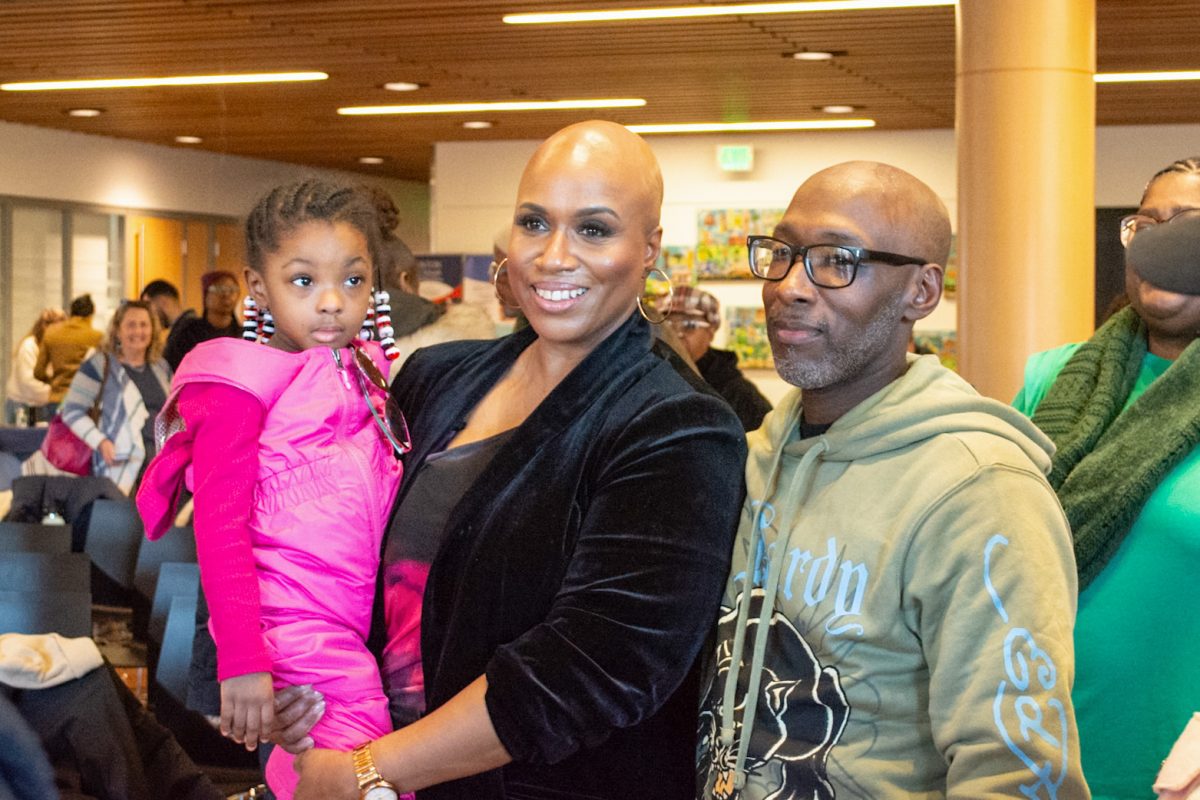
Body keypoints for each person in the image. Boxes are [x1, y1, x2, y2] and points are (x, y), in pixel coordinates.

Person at [291, 120, 746, 799]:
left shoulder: (678, 425)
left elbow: (592, 665)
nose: (554, 255)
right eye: (535, 223)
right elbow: (347, 560)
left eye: (594, 229)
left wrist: (372, 771)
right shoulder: (435, 378)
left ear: (650, 249)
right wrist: (302, 678)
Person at [696, 161, 1087, 798]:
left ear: (922, 293)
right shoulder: (753, 460)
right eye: (784, 253)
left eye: (837, 259)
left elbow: (1017, 771)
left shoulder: (981, 490)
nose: (791, 286)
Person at [136, 178, 405, 800]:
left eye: (354, 280)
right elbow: (220, 530)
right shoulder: (238, 385)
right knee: (368, 779)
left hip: (359, 626)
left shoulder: (370, 378)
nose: (333, 302)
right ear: (259, 287)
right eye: (304, 281)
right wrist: (243, 665)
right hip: (292, 629)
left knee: (338, 774)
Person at [1013, 157, 1200, 799]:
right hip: (1030, 743)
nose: (1159, 240)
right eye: (1147, 223)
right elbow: (992, 544)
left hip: (1176, 763)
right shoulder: (1050, 378)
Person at [58, 301, 171, 495]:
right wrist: (100, 442)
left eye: (144, 325)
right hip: (116, 464)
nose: (138, 331)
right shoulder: (99, 365)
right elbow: (70, 411)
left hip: (157, 469)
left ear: (153, 330)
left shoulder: (161, 368)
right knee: (120, 522)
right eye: (131, 325)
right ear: (118, 331)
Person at [659, 285, 771, 430]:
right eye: (667, 324)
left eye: (690, 325)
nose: (677, 334)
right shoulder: (649, 376)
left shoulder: (740, 395)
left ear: (711, 332)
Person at [163, 271, 242, 371]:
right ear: (205, 294)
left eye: (232, 290)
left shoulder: (241, 335)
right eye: (219, 289)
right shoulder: (188, 333)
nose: (226, 295)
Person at [34, 294, 102, 409]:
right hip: (85, 400)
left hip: (57, 398)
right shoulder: (97, 337)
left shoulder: (51, 333)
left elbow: (38, 372)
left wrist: (54, 381)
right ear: (92, 314)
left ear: (71, 312)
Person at [5, 307, 65, 426]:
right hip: (23, 407)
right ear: (45, 327)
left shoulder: (54, 348)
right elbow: (28, 383)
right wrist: (57, 393)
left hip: (43, 406)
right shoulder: (29, 346)